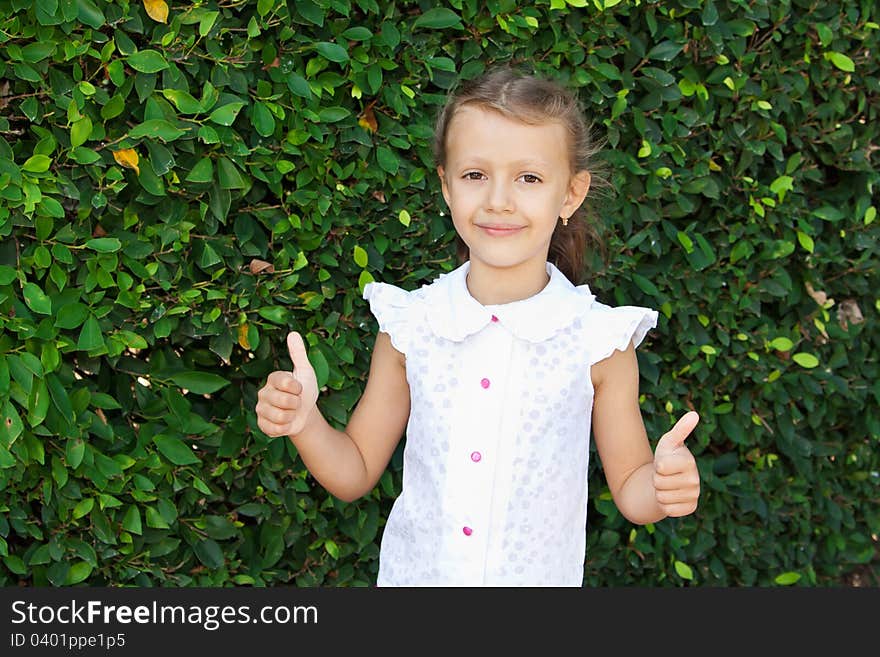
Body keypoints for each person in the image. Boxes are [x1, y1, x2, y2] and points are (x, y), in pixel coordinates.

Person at [255, 67, 701, 586]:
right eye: (474, 175)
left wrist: (664, 486)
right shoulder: (412, 324)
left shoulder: (598, 341)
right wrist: (305, 423)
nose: (498, 201)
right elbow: (353, 471)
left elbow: (630, 488)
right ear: (446, 185)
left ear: (571, 194)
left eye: (529, 178)